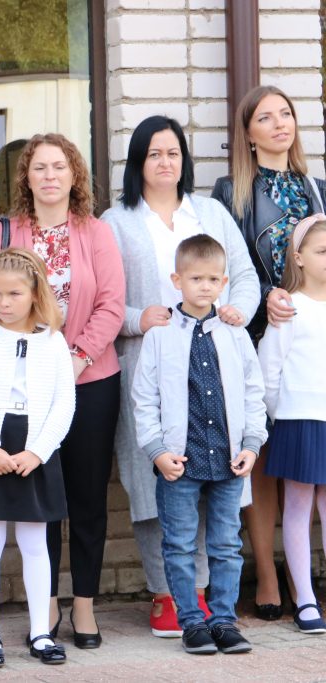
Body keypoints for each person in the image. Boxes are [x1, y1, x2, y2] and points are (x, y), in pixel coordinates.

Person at [101, 115, 258, 638]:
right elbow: (101, 296)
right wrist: (135, 318)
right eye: (154, 154)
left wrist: (237, 311)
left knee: (215, 475)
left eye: (173, 153)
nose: (165, 162)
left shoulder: (209, 212)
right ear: (138, 163)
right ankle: (166, 592)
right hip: (150, 364)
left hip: (215, 361)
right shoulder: (116, 221)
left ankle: (208, 595)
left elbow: (243, 275)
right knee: (158, 479)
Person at [0, 133, 124, 647]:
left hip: (91, 380)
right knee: (42, 498)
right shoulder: (5, 232)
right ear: (26, 177)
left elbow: (111, 304)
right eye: (39, 167)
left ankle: (84, 603)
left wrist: (72, 360)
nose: (50, 176)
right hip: (23, 392)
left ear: (74, 174)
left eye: (59, 166)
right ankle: (48, 604)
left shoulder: (96, 232)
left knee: (86, 495)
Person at [211, 85, 326, 621]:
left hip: (307, 342)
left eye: (286, 114)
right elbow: (226, 266)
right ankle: (266, 572)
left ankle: (306, 577)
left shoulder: (318, 190)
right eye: (265, 117)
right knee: (258, 455)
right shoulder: (231, 192)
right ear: (248, 134)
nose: (280, 123)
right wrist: (266, 297)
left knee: (308, 463)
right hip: (255, 333)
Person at [132, 234, 267, 655]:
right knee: (179, 544)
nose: (205, 286)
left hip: (229, 459)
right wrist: (157, 451)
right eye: (195, 278)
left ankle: (223, 621)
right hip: (179, 460)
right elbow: (144, 398)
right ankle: (191, 622)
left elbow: (253, 391)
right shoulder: (160, 336)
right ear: (177, 280)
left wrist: (251, 443)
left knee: (226, 545)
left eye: (213, 279)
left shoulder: (234, 333)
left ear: (224, 282)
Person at [0, 248, 75, 668]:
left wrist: (39, 451)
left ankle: (41, 632)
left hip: (35, 446)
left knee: (35, 543)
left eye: (14, 294)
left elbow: (64, 403)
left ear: (35, 293)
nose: (3, 303)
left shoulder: (53, 341)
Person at [257, 214, 326, 634]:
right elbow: (269, 370)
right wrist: (278, 414)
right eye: (322, 251)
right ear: (298, 257)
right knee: (298, 508)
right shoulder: (290, 309)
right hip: (299, 419)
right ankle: (304, 598)